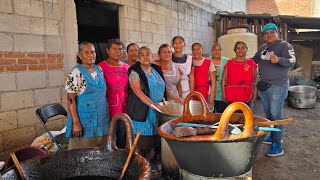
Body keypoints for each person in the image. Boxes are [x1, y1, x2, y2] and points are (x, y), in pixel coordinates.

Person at [253, 23, 296, 157]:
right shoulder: (263, 48)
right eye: (266, 33)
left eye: (272, 32)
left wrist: (279, 59)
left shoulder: (284, 45)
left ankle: (277, 145)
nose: (269, 35)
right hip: (264, 87)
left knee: (275, 115)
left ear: (277, 33)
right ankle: (273, 136)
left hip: (278, 86)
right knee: (269, 115)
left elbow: (292, 60)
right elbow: (253, 60)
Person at [65, 42, 110, 150]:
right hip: (85, 121)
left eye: (92, 52)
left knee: (101, 152)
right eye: (86, 52)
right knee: (83, 154)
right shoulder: (76, 72)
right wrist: (76, 123)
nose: (91, 55)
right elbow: (71, 100)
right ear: (80, 55)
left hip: (102, 118)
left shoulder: (99, 69)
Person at [128, 46, 166, 162]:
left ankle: (147, 167)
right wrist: (154, 105)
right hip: (142, 112)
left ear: (152, 56)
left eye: (147, 54)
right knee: (140, 144)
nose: (145, 57)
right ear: (138, 58)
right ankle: (137, 168)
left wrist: (168, 99)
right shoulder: (135, 71)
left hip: (156, 112)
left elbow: (162, 87)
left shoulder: (156, 69)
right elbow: (138, 92)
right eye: (142, 55)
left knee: (151, 143)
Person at [98, 39, 129, 149]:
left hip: (124, 107)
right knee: (109, 135)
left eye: (120, 49)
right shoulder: (100, 67)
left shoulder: (127, 67)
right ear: (107, 51)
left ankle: (120, 157)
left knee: (122, 133)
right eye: (114, 49)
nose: (117, 52)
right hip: (107, 109)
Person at [222, 41, 258, 105]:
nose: (240, 50)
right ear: (235, 50)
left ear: (246, 49)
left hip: (247, 94)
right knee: (232, 114)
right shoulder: (229, 63)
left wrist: (255, 93)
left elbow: (256, 80)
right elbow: (223, 80)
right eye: (238, 48)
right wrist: (223, 94)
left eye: (242, 48)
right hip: (231, 94)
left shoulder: (251, 63)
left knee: (245, 114)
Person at [209, 43, 229, 113]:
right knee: (210, 115)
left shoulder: (227, 61)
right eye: (215, 49)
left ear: (222, 51)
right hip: (209, 94)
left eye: (219, 49)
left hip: (222, 95)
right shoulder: (206, 61)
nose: (217, 51)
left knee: (222, 115)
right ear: (211, 51)